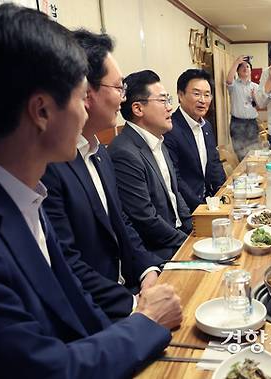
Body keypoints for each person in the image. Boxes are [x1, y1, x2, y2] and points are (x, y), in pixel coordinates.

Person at [0, 4, 182, 377]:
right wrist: (145, 321)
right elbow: (44, 370)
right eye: (78, 96)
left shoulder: (21, 190)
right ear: (41, 111)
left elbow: (79, 307)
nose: (85, 112)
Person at [42, 31, 164, 296]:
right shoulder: (49, 165)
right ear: (86, 92)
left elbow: (121, 221)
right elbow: (67, 263)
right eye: (119, 87)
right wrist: (133, 307)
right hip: (101, 308)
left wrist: (148, 270)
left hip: (131, 287)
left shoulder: (99, 152)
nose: (123, 99)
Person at [109, 70, 193, 260]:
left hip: (178, 239)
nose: (170, 107)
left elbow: (175, 194)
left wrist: (195, 230)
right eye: (163, 101)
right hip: (158, 253)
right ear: (138, 109)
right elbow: (145, 219)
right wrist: (188, 244)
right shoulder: (124, 152)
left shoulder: (158, 141)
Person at [164, 69, 226, 212]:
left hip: (210, 201)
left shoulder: (207, 126)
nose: (203, 100)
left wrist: (224, 193)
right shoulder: (170, 128)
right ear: (180, 95)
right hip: (188, 207)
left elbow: (214, 163)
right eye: (196, 94)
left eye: (207, 94)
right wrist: (201, 208)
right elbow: (175, 178)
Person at [226, 55, 259, 160]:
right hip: (237, 123)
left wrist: (254, 97)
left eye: (248, 67)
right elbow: (228, 80)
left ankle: (253, 173)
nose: (245, 68)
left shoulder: (255, 86)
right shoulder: (234, 85)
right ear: (238, 71)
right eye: (242, 67)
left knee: (254, 152)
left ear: (251, 71)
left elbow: (260, 105)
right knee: (240, 153)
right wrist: (236, 62)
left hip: (252, 123)